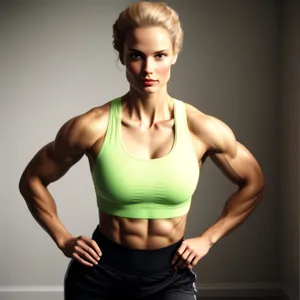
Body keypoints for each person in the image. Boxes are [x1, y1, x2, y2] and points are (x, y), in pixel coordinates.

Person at [18, 1, 265, 299]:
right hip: (99, 274)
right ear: (122, 56)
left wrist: (209, 239)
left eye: (159, 55)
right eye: (136, 56)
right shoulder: (91, 127)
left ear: (174, 54)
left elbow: (253, 183)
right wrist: (62, 238)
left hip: (170, 275)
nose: (148, 69)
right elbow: (32, 180)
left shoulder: (203, 129)